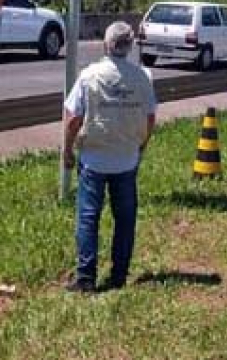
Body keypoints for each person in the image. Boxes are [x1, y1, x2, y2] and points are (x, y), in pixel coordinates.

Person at [62, 21, 156, 293]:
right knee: (125, 218)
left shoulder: (90, 76)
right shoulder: (142, 77)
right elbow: (150, 118)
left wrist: (67, 150)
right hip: (126, 157)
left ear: (106, 44)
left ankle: (86, 277)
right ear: (131, 46)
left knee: (88, 217)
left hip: (94, 157)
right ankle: (119, 275)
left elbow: (74, 119)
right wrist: (141, 146)